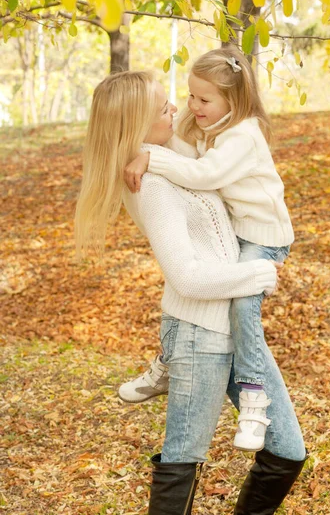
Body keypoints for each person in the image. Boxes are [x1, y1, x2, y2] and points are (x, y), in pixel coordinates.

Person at [75, 70, 307, 515]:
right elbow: (186, 276)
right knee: (183, 459)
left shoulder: (165, 156)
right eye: (164, 109)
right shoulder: (153, 187)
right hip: (199, 334)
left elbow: (217, 157)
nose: (177, 110)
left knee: (287, 452)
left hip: (235, 329)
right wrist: (258, 274)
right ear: (136, 125)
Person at [122, 47, 295, 452]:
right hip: (241, 234)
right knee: (228, 299)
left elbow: (206, 173)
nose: (191, 105)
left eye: (203, 99)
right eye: (189, 96)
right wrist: (146, 151)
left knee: (242, 309)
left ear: (231, 102)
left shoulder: (243, 133)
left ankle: (254, 399)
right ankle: (170, 359)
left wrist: (150, 158)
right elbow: (186, 155)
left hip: (262, 240)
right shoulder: (215, 128)